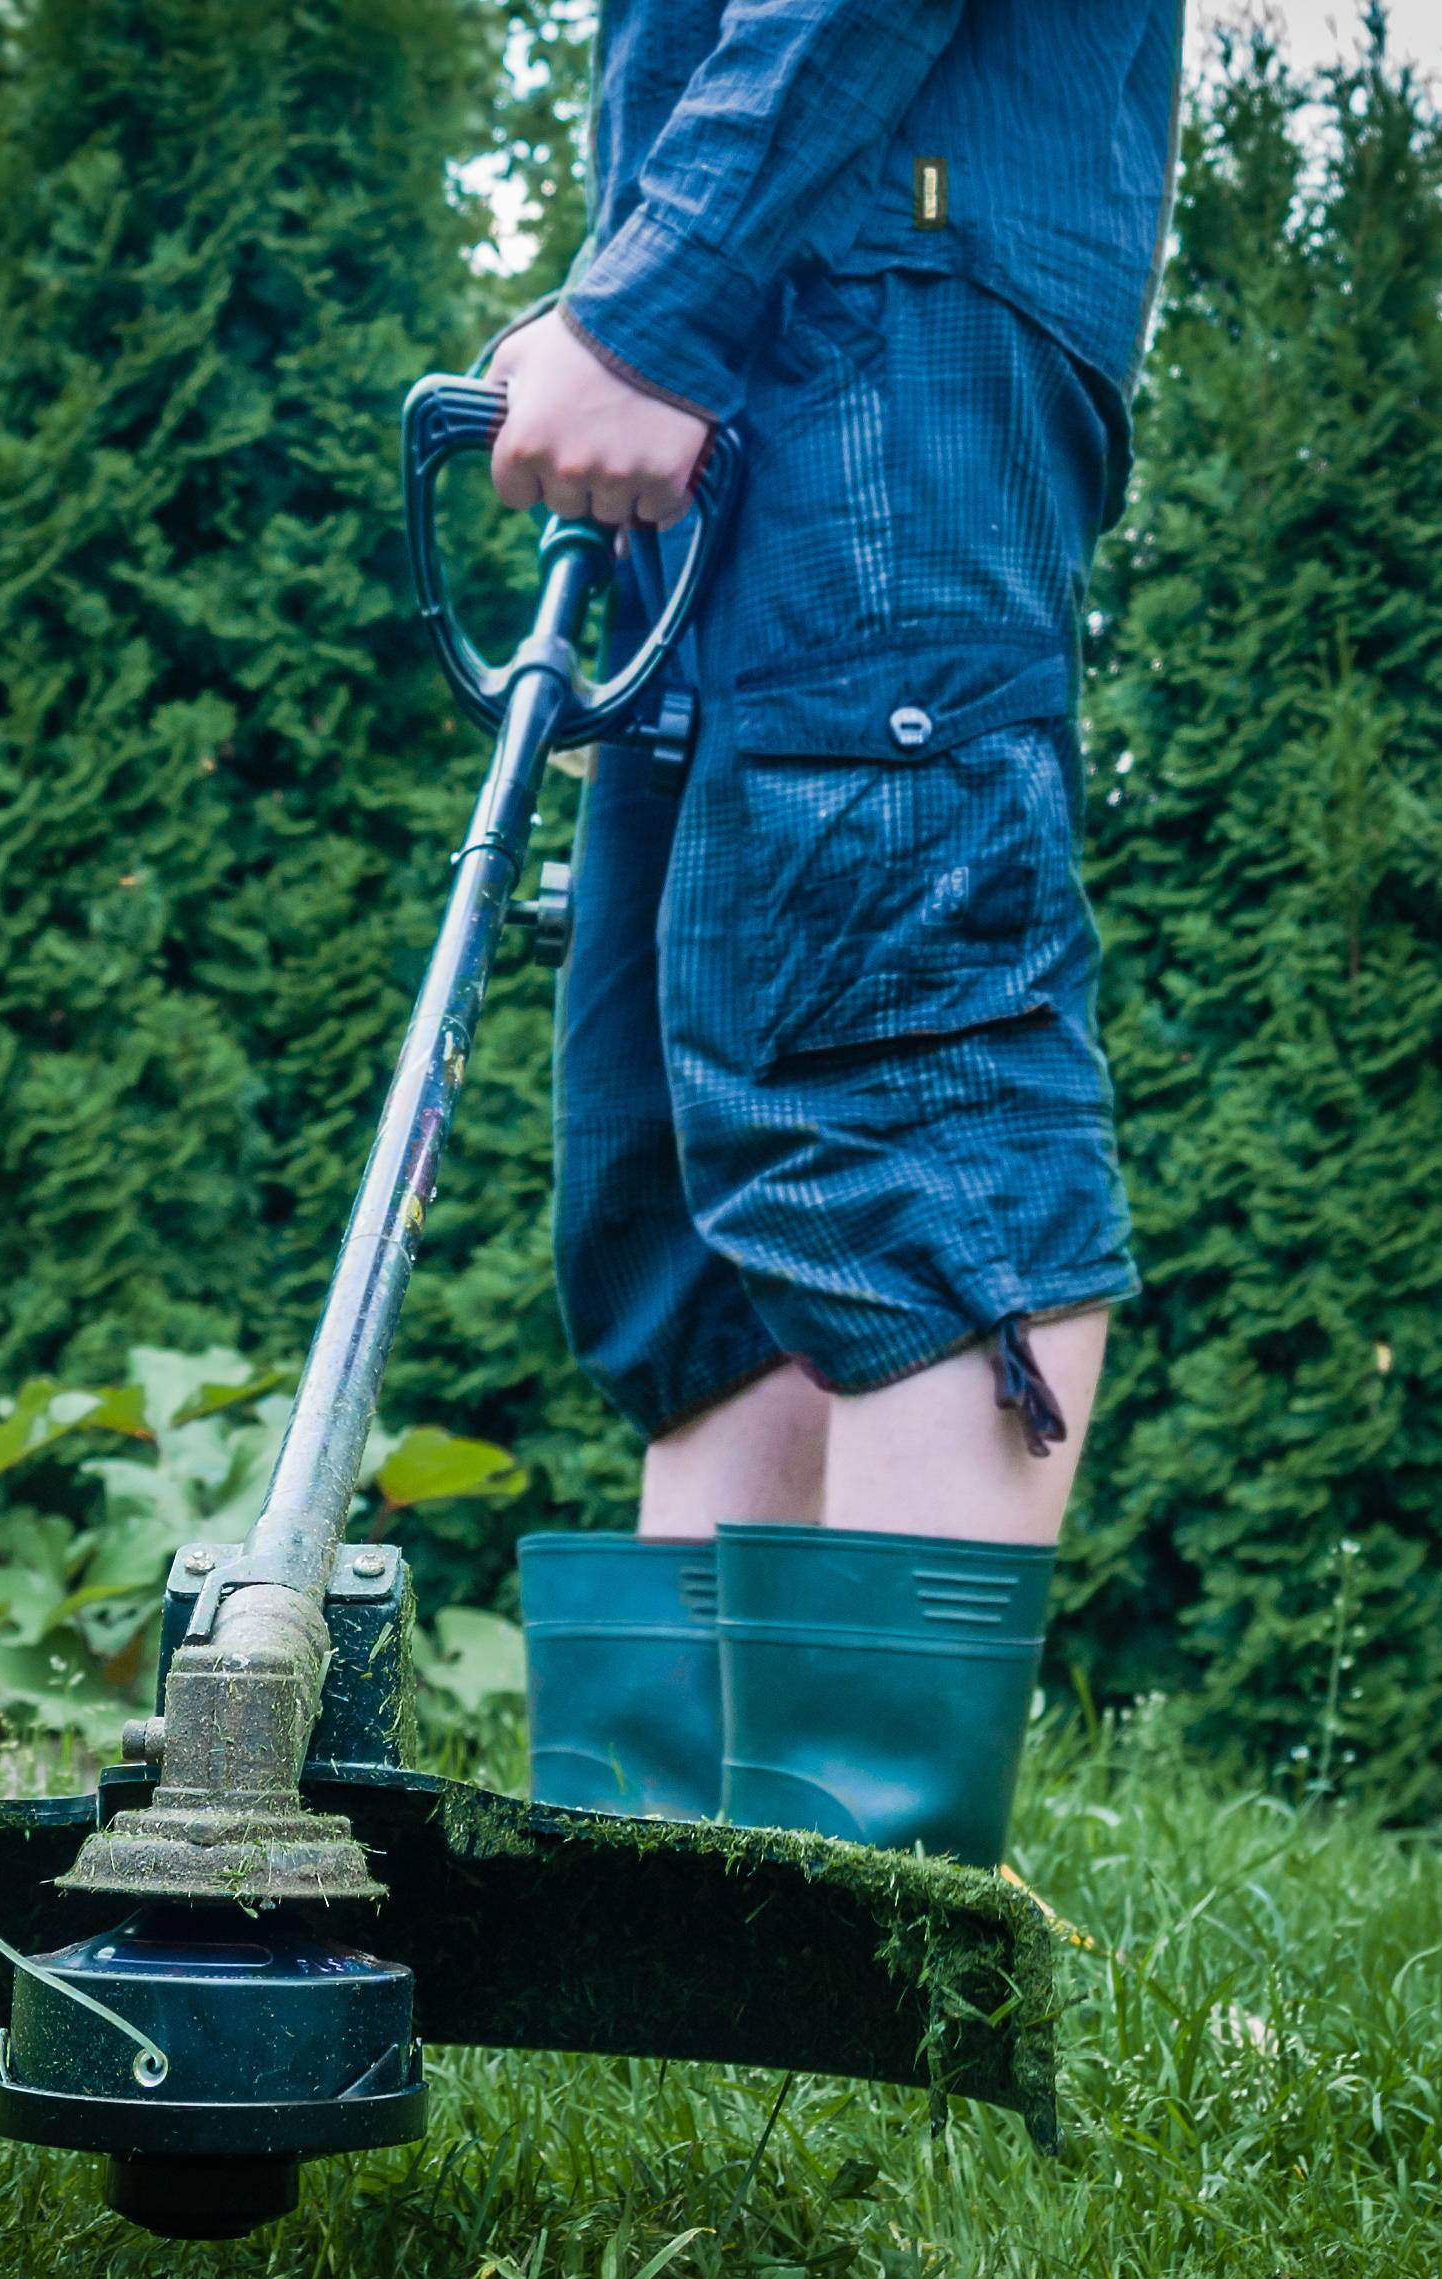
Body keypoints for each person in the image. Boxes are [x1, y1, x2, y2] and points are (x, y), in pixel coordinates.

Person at [500, 0, 1184, 1864]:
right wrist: (643, 288)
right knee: (678, 1178)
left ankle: (877, 1933)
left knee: (890, 1059)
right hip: (757, 314)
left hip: (890, 263)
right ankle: (656, 1922)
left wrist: (664, 294)